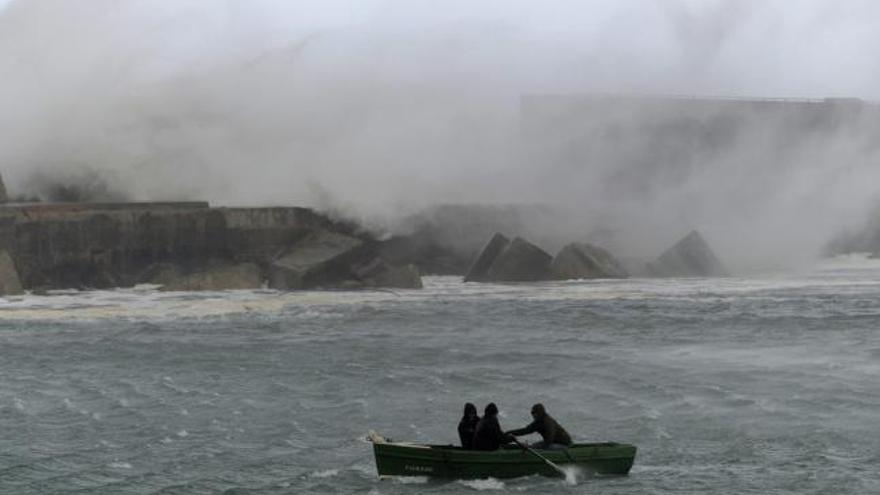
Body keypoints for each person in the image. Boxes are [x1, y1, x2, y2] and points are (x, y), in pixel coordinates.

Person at [505, 403, 573, 450]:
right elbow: (525, 430)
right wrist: (509, 432)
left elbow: (549, 440)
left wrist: (536, 447)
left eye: (535, 413)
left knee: (536, 447)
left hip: (562, 444)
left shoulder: (548, 423)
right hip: (552, 442)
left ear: (540, 413)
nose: (533, 415)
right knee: (533, 446)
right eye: (532, 413)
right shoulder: (538, 422)